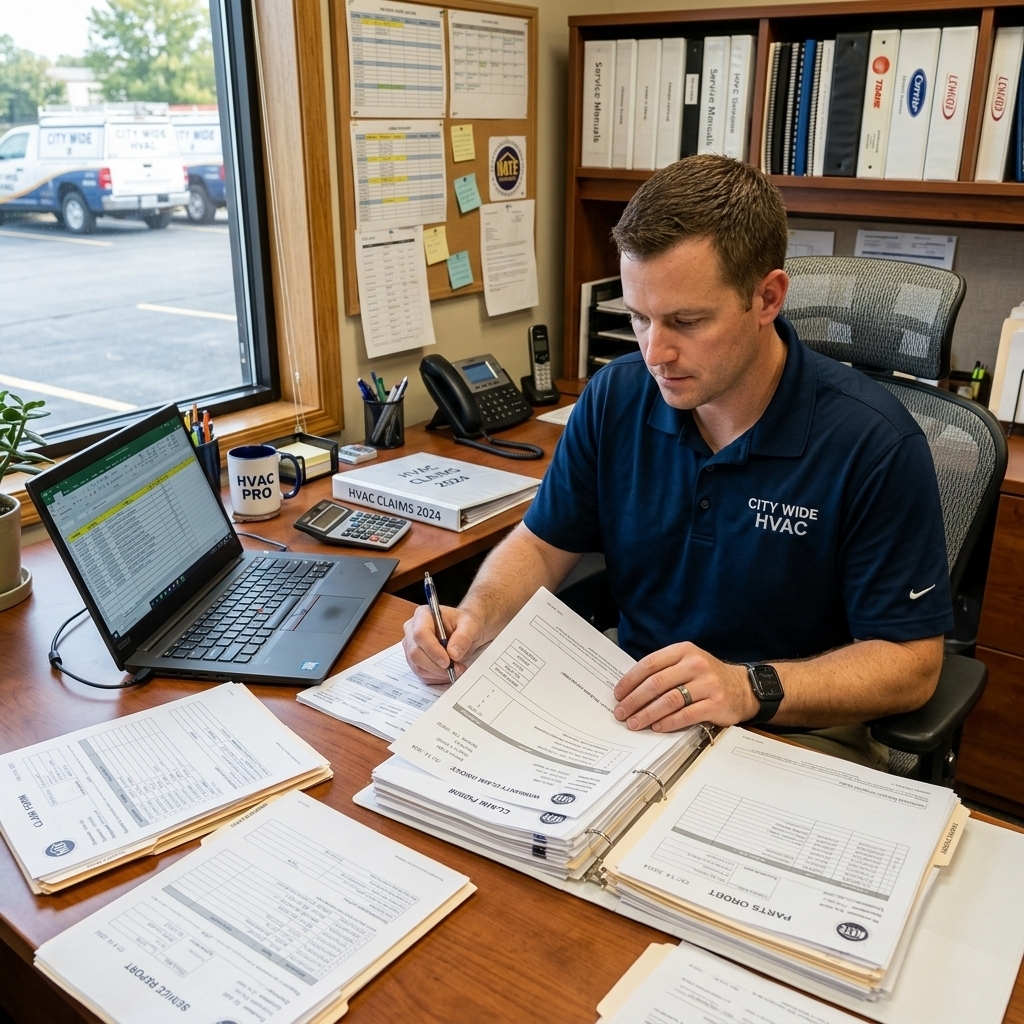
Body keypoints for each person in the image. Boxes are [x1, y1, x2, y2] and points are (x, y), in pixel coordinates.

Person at [403, 154, 953, 767]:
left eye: (686, 321)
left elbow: (911, 666)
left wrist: (747, 687)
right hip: (634, 711)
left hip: (792, 730)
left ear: (767, 297)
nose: (655, 351)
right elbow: (540, 545)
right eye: (638, 318)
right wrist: (474, 618)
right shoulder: (616, 396)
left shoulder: (874, 442)